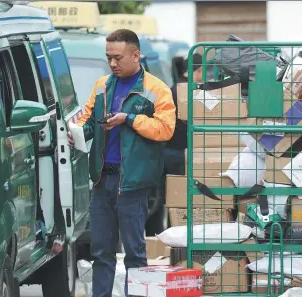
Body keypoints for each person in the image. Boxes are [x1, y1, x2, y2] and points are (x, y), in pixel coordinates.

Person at [69, 29, 176, 297]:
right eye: (109, 58)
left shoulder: (156, 89)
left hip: (132, 183)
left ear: (136, 55)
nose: (113, 63)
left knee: (135, 253)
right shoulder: (102, 85)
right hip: (102, 179)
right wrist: (77, 133)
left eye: (118, 57)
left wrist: (128, 119)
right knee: (101, 252)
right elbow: (89, 121)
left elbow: (165, 129)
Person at [163, 53, 204, 175]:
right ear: (199, 71)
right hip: (180, 150)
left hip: (172, 147)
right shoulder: (187, 91)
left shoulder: (176, 87)